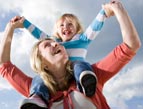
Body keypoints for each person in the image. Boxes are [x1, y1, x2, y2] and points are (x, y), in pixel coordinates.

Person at [0, 0, 141, 109]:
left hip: (85, 76)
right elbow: (4, 66)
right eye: (47, 44)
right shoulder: (34, 88)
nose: (56, 43)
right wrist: (10, 28)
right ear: (41, 62)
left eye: (56, 43)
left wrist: (117, 9)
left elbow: (130, 46)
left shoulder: (94, 75)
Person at [11, 3, 111, 107]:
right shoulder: (54, 42)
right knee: (39, 78)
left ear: (77, 29)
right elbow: (38, 33)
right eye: (62, 25)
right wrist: (24, 22)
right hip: (59, 74)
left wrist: (104, 12)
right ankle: (38, 97)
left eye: (70, 24)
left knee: (79, 64)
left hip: (76, 73)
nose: (66, 27)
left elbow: (94, 27)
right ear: (57, 31)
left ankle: (86, 81)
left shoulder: (82, 40)